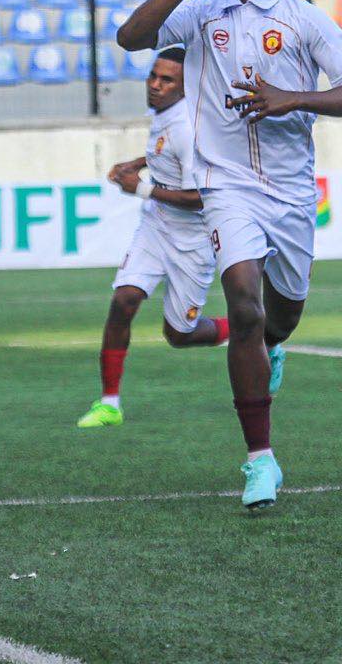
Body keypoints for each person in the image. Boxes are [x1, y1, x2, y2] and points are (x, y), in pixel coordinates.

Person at [116, 0, 342, 510]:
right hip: (225, 184)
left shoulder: (305, 20)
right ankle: (260, 460)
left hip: (291, 191)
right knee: (243, 305)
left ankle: (273, 346)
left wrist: (294, 98)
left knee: (279, 321)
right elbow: (130, 38)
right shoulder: (200, 12)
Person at [76, 49, 229, 430]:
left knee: (179, 334)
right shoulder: (166, 113)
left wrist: (140, 188)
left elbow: (201, 198)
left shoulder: (189, 129)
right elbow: (164, 150)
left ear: (185, 86)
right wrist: (136, 163)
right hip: (156, 225)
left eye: (167, 80)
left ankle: (251, 330)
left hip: (192, 238)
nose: (156, 85)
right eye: (153, 76)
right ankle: (109, 403)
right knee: (123, 300)